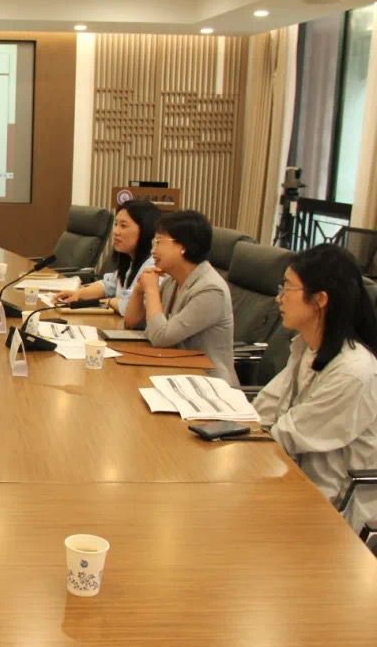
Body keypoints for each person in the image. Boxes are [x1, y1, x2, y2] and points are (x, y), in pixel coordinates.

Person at [253, 244, 377, 530]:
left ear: (320, 299)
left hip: (330, 509)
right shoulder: (307, 348)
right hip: (291, 480)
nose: (279, 298)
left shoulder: (353, 371)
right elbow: (266, 406)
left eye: (288, 288)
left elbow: (288, 435)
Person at [128, 210, 238, 385]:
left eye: (159, 242)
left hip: (207, 383)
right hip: (173, 371)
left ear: (183, 246)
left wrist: (151, 290)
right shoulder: (173, 281)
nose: (153, 250)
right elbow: (132, 322)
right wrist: (138, 290)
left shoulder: (210, 290)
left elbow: (161, 338)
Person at [57, 199, 160, 324]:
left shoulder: (152, 266)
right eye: (116, 224)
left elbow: (127, 307)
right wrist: (78, 294)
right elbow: (108, 285)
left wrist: (109, 301)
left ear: (145, 230)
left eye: (123, 226)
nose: (116, 231)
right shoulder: (130, 260)